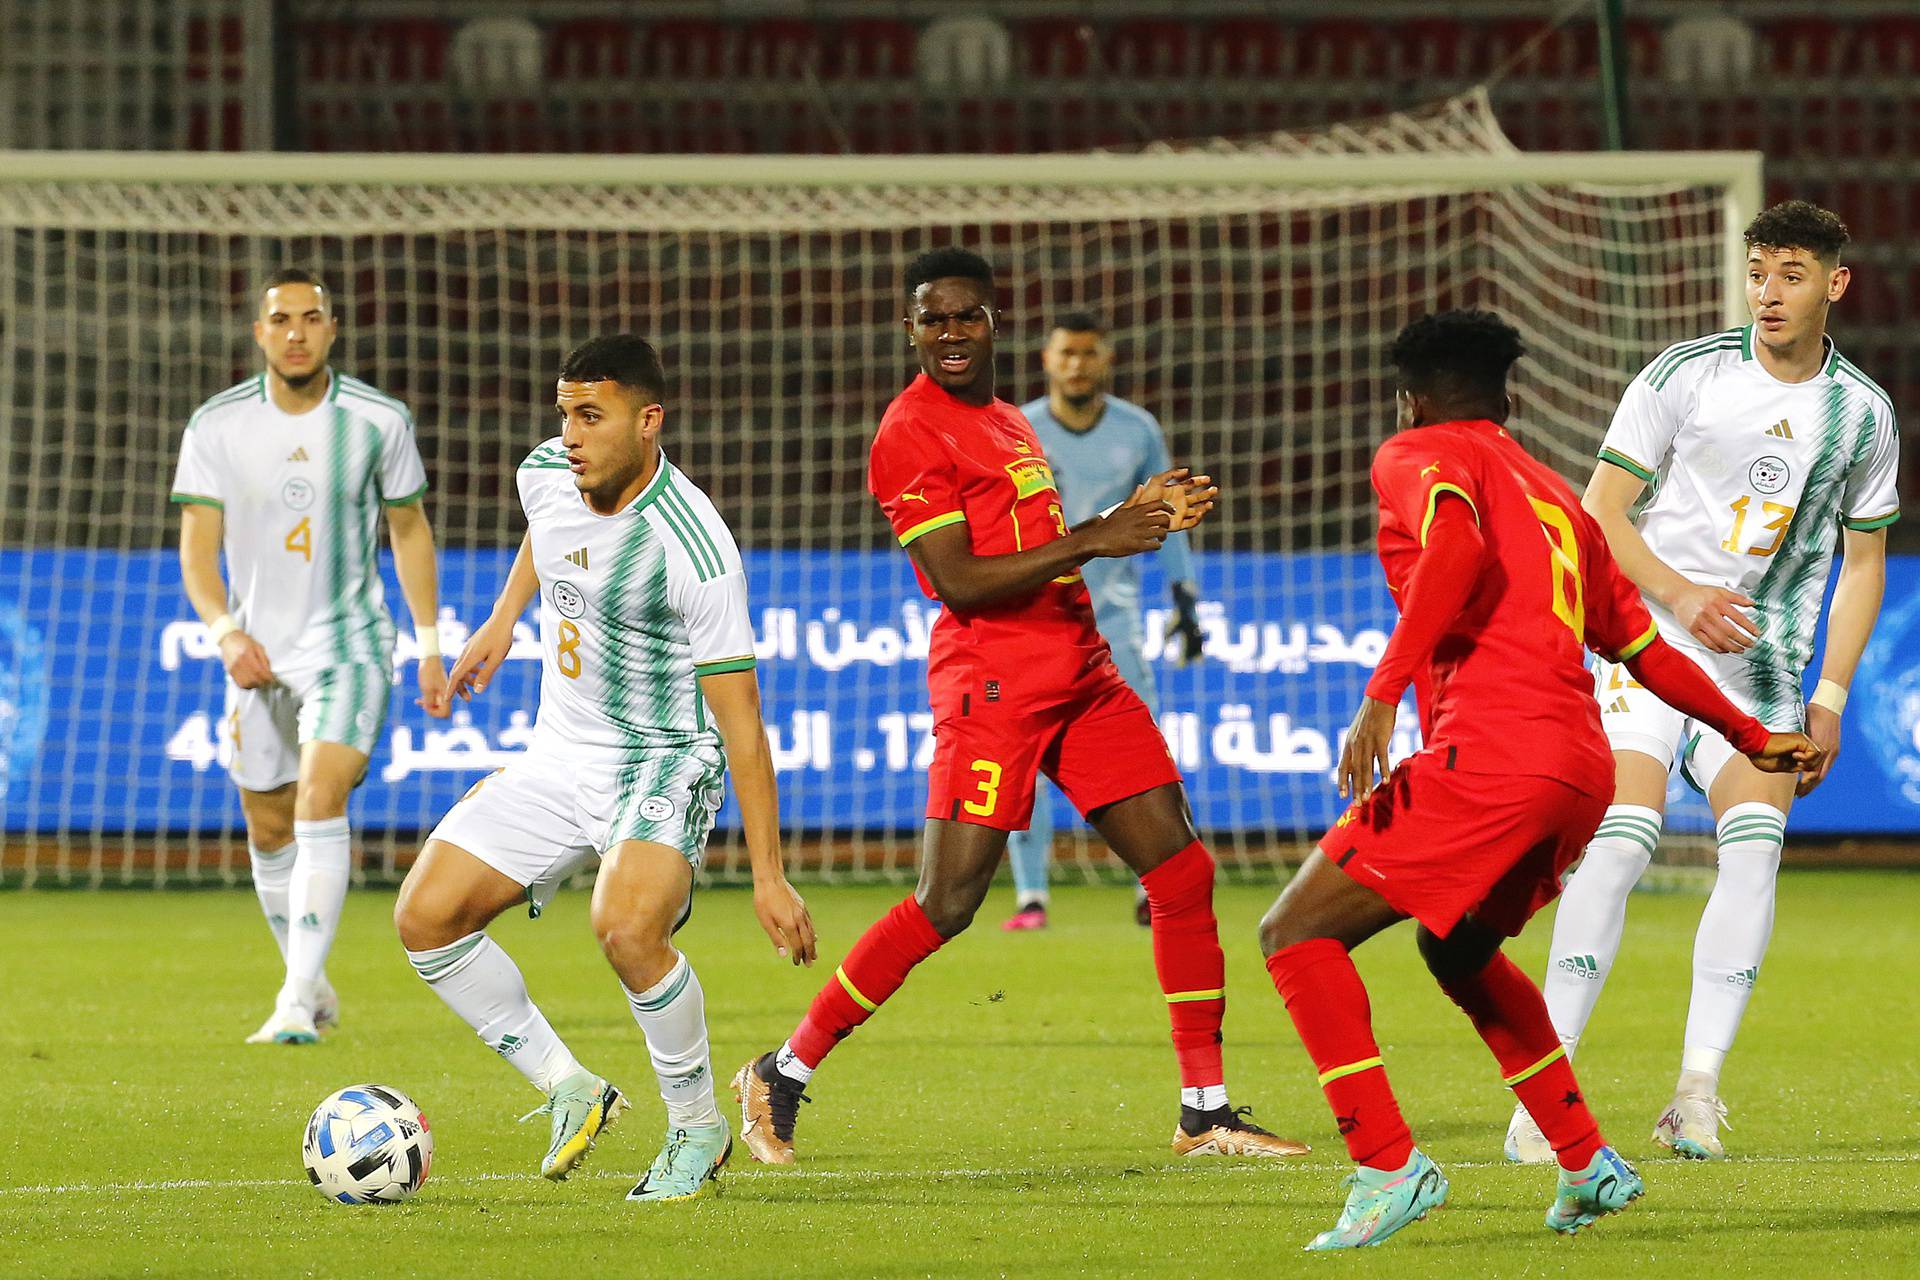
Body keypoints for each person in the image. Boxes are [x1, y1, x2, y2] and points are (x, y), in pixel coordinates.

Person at [1255, 310, 1820, 1250]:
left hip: (1492, 757)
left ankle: (1387, 1166)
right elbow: (1644, 646)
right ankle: (1587, 1161)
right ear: (1507, 398)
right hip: (1580, 771)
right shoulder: (1559, 495)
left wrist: (1382, 696)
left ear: (1411, 395)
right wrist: (1750, 732)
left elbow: (1459, 549)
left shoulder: (1415, 452)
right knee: (1460, 953)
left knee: (1294, 935)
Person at [732, 247, 1307, 1167]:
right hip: (994, 688)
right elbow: (958, 579)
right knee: (947, 903)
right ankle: (784, 1069)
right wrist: (1100, 536)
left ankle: (1206, 1111)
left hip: (1083, 673)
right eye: (934, 319)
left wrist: (1132, 515)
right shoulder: (908, 432)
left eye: (967, 316)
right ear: (910, 330)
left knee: (1182, 873)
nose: (951, 333)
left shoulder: (1004, 422)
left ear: (996, 323)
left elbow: (1038, 542)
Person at [1509, 201, 1899, 1164]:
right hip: (1647, 645)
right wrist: (1678, 595)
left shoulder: (1864, 414)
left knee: (1756, 846)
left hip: (1760, 670)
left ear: (1834, 285)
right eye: (1759, 270)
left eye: (1793, 273)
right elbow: (1599, 511)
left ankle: (1695, 1094)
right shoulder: (1687, 373)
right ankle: (1543, 1100)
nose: (1770, 292)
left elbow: (1862, 565)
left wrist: (1831, 698)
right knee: (1624, 837)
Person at [392, 335, 815, 1203]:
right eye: (565, 414)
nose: (571, 436)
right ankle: (570, 1087)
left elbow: (743, 725)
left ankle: (697, 1129)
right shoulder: (547, 471)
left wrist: (769, 876)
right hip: (558, 753)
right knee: (425, 917)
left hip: (662, 759)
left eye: (592, 416)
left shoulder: (695, 550)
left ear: (648, 421)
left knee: (624, 929)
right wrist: (505, 618)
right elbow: (547, 536)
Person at [172, 269, 448, 1046]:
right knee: (266, 829)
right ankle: (313, 980)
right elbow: (197, 549)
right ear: (259, 333)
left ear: (332, 330)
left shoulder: (377, 420)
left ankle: (294, 1000)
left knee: (318, 799)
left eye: (311, 318)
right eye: (280, 319)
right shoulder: (216, 426)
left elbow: (408, 529)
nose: (295, 331)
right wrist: (226, 630)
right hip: (258, 650)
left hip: (350, 646)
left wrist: (428, 646)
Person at [1002, 313, 1205, 932]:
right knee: (1025, 764)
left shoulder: (1136, 429)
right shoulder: (1020, 430)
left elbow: (1168, 513)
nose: (1077, 365)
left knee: (1143, 757)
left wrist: (1185, 597)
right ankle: (1031, 896)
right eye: (1067, 353)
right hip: (1034, 623)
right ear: (1047, 359)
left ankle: (1158, 884)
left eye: (1089, 354)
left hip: (1112, 625)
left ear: (1104, 359)